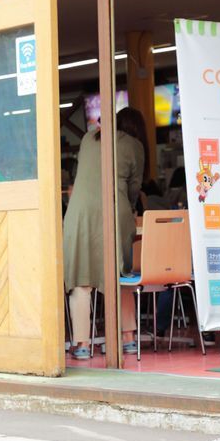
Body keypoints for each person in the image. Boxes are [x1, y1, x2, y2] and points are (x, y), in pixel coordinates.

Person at [62, 107, 149, 359]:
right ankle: (128, 339)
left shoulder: (90, 138)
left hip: (79, 214)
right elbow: (134, 187)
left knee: (81, 279)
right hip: (115, 211)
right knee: (120, 276)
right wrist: (130, 207)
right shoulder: (135, 146)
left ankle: (81, 345)